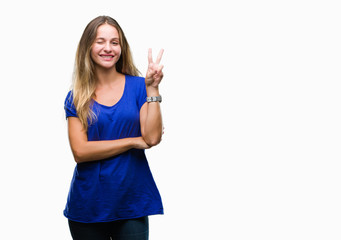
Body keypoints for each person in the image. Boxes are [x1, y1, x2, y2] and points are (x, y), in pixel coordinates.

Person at [63, 15, 164, 240]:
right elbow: (80, 152)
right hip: (88, 204)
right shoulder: (76, 97)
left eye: (114, 42)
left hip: (132, 200)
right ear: (88, 46)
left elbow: (152, 137)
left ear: (121, 47)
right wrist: (131, 141)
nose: (108, 48)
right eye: (100, 41)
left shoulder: (140, 86)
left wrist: (153, 89)